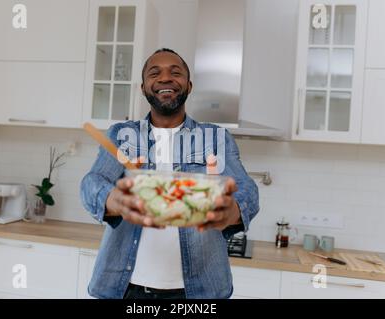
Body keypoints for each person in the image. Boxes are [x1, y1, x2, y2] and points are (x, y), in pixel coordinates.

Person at [80, 48, 259, 299]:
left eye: (176, 72)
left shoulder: (215, 138)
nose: (165, 78)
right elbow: (92, 182)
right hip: (127, 289)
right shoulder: (121, 135)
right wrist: (114, 200)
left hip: (199, 292)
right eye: (155, 73)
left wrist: (231, 211)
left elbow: (247, 189)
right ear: (143, 87)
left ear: (189, 85)